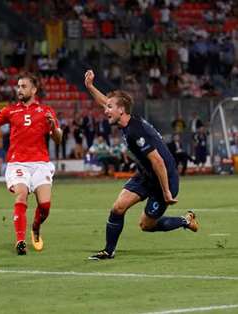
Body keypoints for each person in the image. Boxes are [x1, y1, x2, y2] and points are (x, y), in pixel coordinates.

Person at [84, 70, 199, 260]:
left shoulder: (135, 132)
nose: (106, 110)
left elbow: (158, 161)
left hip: (164, 180)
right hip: (146, 175)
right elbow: (105, 101)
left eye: (110, 107)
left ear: (121, 110)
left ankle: (185, 220)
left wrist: (166, 192)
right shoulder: (126, 121)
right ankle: (108, 250)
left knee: (146, 225)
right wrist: (90, 86)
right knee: (118, 208)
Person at [0, 72, 63, 255]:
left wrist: (53, 127)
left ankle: (35, 228)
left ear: (34, 89)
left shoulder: (46, 111)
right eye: (18, 86)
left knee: (45, 206)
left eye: (23, 86)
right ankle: (20, 241)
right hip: (18, 164)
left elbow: (58, 139)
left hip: (41, 163)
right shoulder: (10, 110)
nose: (19, 90)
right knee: (21, 195)